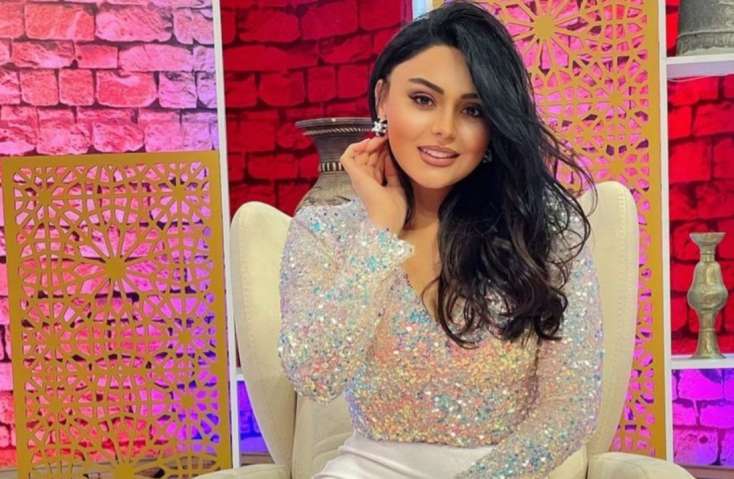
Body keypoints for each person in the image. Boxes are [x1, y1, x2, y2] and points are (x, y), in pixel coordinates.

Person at [277, 2, 603, 478]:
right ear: (383, 99)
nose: (445, 129)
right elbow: (315, 376)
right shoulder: (326, 231)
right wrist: (380, 233)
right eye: (423, 100)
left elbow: (569, 410)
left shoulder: (545, 232)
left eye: (472, 110)